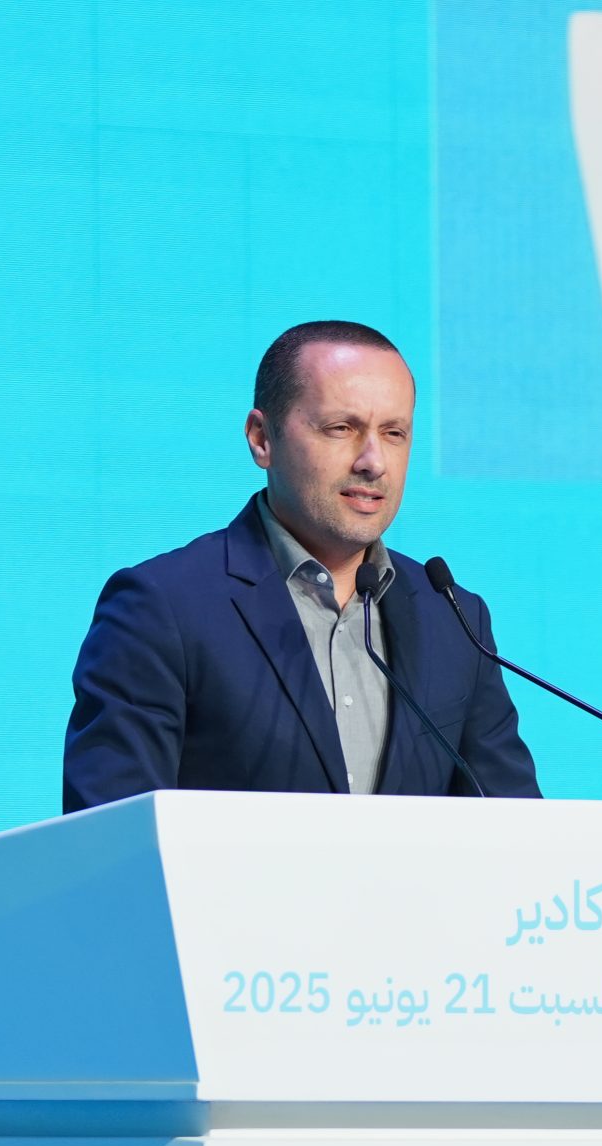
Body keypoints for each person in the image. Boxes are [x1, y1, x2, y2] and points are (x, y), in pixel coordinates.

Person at [62, 320, 540, 812]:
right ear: (261, 439)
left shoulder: (454, 618)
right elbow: (111, 836)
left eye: (394, 433)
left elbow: (518, 829)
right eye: (341, 429)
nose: (373, 461)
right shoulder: (162, 608)